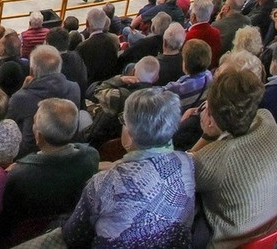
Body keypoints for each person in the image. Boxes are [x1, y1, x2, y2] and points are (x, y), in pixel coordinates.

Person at [56, 89, 195, 247]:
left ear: (130, 132)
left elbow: (73, 237)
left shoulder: (103, 183)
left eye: (124, 121)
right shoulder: (187, 162)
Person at [190, 68, 277, 247]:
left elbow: (177, 172)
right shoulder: (267, 118)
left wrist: (207, 135)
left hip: (227, 243)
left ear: (211, 114)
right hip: (269, 234)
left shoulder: (214, 159)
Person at [0, 98, 98, 244]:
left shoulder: (19, 176)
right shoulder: (91, 156)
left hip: (30, 239)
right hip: (73, 230)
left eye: (34, 123)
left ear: (38, 136)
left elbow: (7, 220)